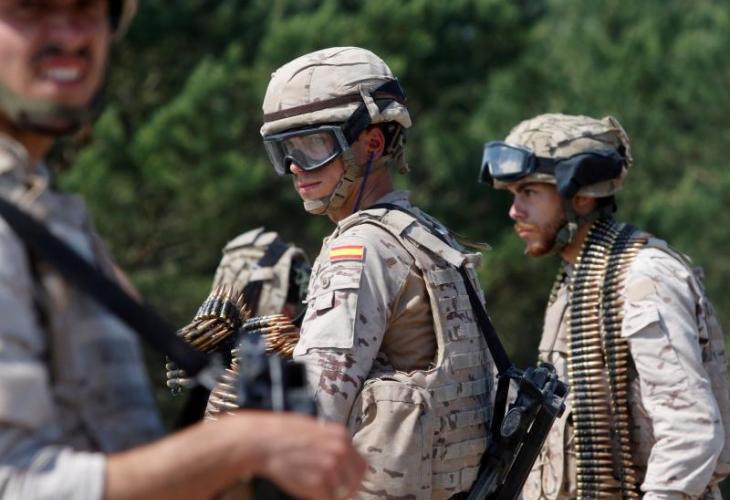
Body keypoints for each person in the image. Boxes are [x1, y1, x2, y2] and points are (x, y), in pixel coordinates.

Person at [0, 2, 365, 499]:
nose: (69, 34)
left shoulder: (44, 211)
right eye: (31, 8)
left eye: (89, 8)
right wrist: (241, 446)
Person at [260, 46, 495, 499]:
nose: (295, 166)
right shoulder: (429, 234)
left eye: (314, 145)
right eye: (285, 150)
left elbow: (312, 413)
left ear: (372, 144)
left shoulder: (358, 249)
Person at [480, 113, 730, 499]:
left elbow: (690, 430)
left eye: (528, 192)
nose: (515, 211)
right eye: (513, 194)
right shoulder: (580, 276)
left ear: (580, 196)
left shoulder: (644, 277)